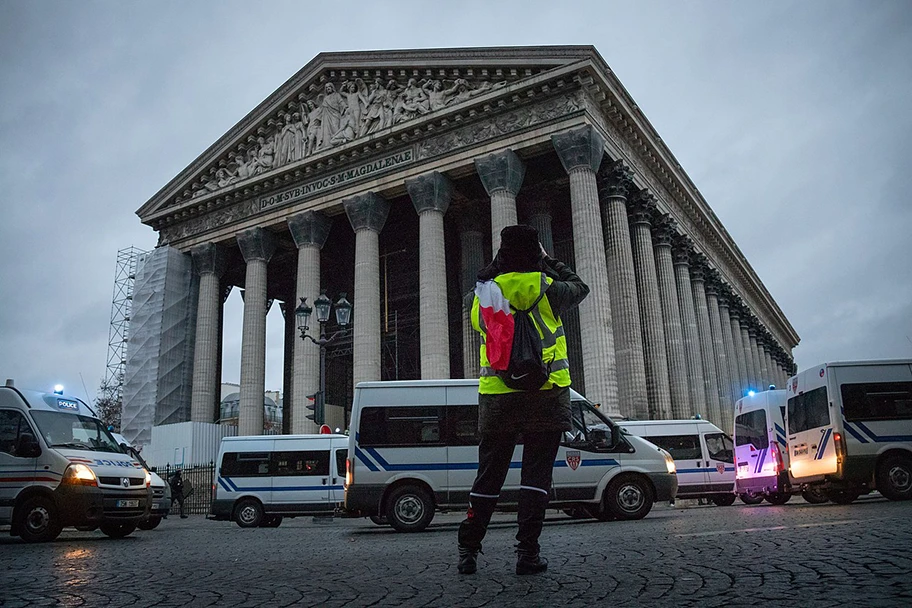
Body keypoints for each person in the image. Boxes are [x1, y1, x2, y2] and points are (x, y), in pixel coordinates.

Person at [457, 224, 589, 576]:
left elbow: (476, 322)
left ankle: (468, 550)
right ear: (536, 255)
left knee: (488, 476)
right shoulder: (548, 288)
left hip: (499, 396)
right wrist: (549, 262)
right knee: (536, 477)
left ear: (503, 256)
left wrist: (493, 271)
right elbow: (580, 287)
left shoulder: (486, 294)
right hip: (547, 392)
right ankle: (527, 554)